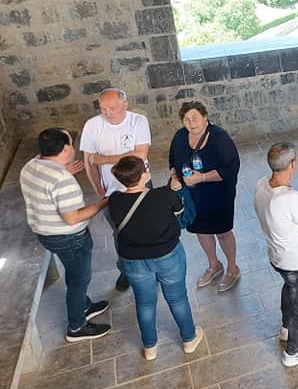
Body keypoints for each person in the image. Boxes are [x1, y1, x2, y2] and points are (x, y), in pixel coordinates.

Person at [20, 128, 112, 341]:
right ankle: (77, 327)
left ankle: (84, 306)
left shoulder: (32, 165)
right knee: (79, 278)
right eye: (71, 143)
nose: (73, 147)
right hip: (69, 237)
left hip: (46, 233)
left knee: (74, 272)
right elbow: (73, 217)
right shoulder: (61, 179)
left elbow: (46, 184)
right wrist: (104, 202)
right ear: (65, 149)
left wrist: (62, 170)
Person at [107, 156, 203, 360]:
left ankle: (150, 347)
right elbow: (179, 212)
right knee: (177, 298)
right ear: (144, 175)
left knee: (144, 302)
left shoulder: (114, 200)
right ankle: (188, 339)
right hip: (166, 255)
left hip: (133, 261)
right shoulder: (162, 195)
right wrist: (175, 189)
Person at [254, 143, 298, 367]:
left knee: (289, 288)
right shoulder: (291, 198)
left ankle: (286, 328)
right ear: (293, 164)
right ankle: (293, 353)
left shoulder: (261, 185)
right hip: (295, 261)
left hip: (277, 257)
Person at [79, 87, 151, 292]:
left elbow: (140, 156)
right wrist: (99, 190)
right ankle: (127, 270)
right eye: (103, 108)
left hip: (141, 185)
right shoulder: (92, 125)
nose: (107, 113)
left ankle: (149, 265)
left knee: (145, 227)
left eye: (112, 108)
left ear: (124, 105)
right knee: (121, 232)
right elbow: (89, 162)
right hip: (111, 190)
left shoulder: (138, 121)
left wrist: (104, 159)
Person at [168, 101, 241, 292]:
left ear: (205, 117)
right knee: (201, 232)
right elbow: (172, 161)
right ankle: (214, 265)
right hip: (192, 195)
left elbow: (231, 168)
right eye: (186, 119)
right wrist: (175, 178)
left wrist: (201, 177)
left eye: (195, 117)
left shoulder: (219, 138)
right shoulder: (180, 136)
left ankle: (233, 268)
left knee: (223, 231)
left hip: (218, 194)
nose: (191, 122)